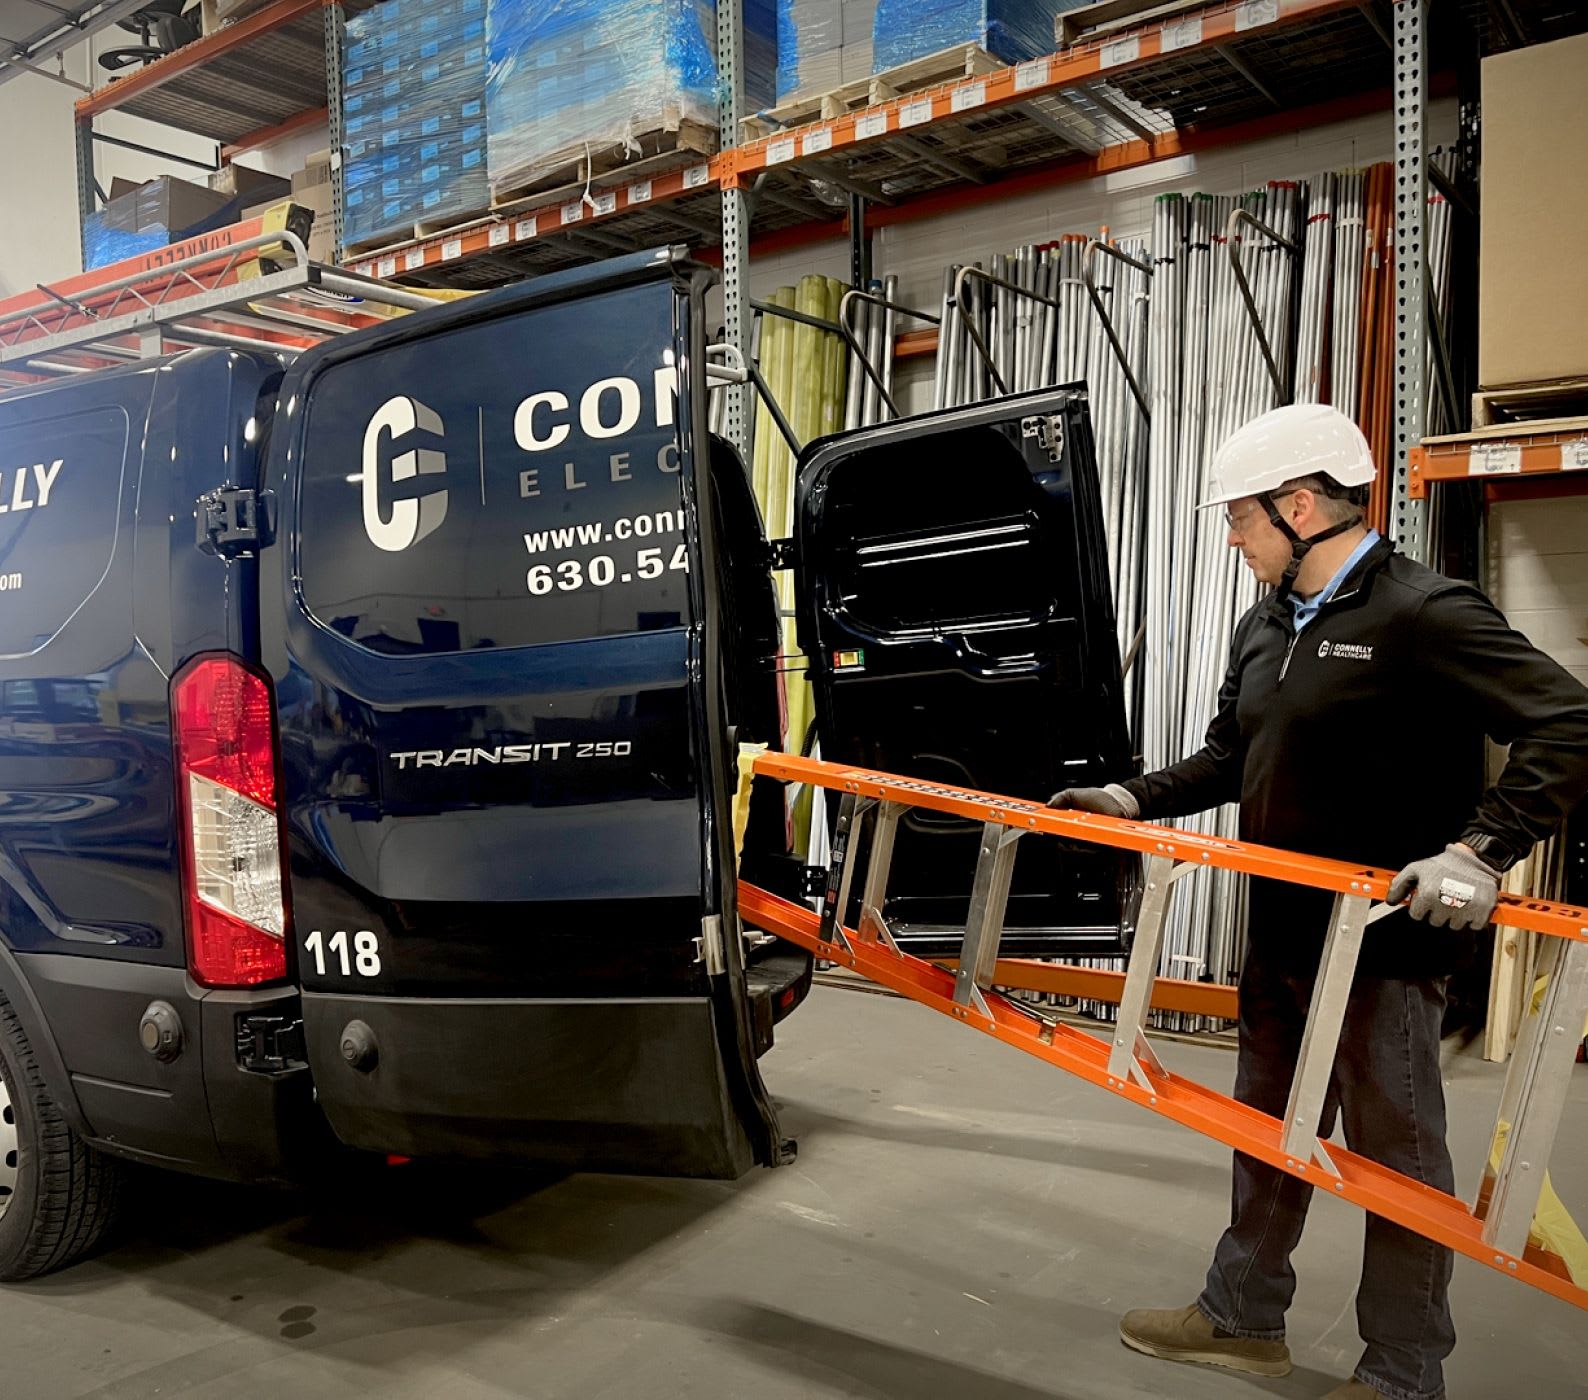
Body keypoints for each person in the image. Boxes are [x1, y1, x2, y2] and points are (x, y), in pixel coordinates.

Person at [1049, 403, 1588, 1400]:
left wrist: (1480, 850)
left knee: (1398, 1163)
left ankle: (1402, 1372)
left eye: (1239, 517)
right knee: (1265, 1133)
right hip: (1283, 937)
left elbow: (1567, 722)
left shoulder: (1423, 613)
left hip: (1385, 952)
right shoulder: (1265, 625)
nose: (1231, 538)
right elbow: (1229, 755)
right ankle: (1241, 1317)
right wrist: (1130, 797)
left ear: (1298, 507)